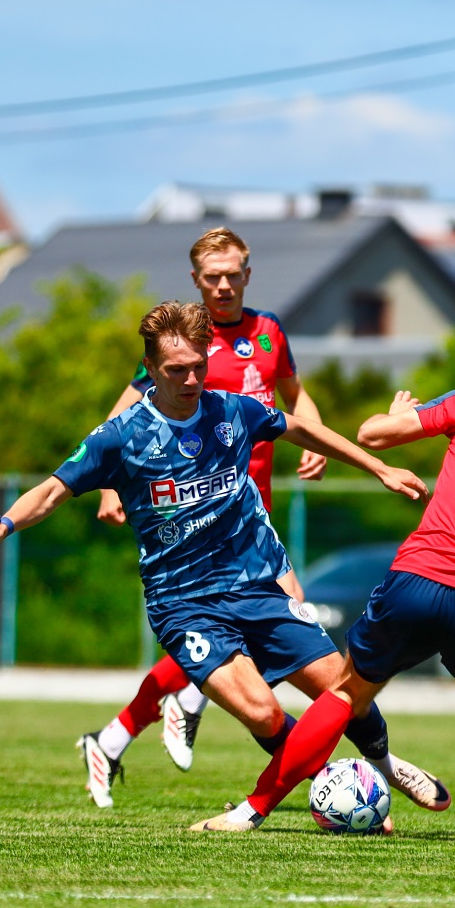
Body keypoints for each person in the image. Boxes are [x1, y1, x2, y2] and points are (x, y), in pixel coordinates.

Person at [0, 301, 449, 821]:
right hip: (183, 603)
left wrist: (378, 467)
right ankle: (337, 786)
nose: (192, 378)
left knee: (345, 689)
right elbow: (53, 491)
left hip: (255, 586)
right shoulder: (121, 437)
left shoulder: (230, 411)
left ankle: (384, 765)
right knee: (262, 711)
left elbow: (301, 429)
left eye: (199, 365)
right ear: (149, 368)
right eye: (177, 370)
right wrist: (3, 525)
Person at [190, 335, 455, 838]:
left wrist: (396, 412)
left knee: (348, 693)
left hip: (421, 577)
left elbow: (373, 434)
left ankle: (249, 813)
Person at [98, 227, 326, 771]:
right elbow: (122, 416)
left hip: (255, 511)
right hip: (195, 516)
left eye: (232, 275)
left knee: (272, 623)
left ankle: (125, 732)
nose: (223, 285)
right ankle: (176, 708)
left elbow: (295, 397)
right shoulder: (182, 345)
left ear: (248, 275)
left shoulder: (270, 331)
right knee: (258, 621)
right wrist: (109, 485)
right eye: (211, 277)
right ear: (196, 281)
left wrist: (314, 440)